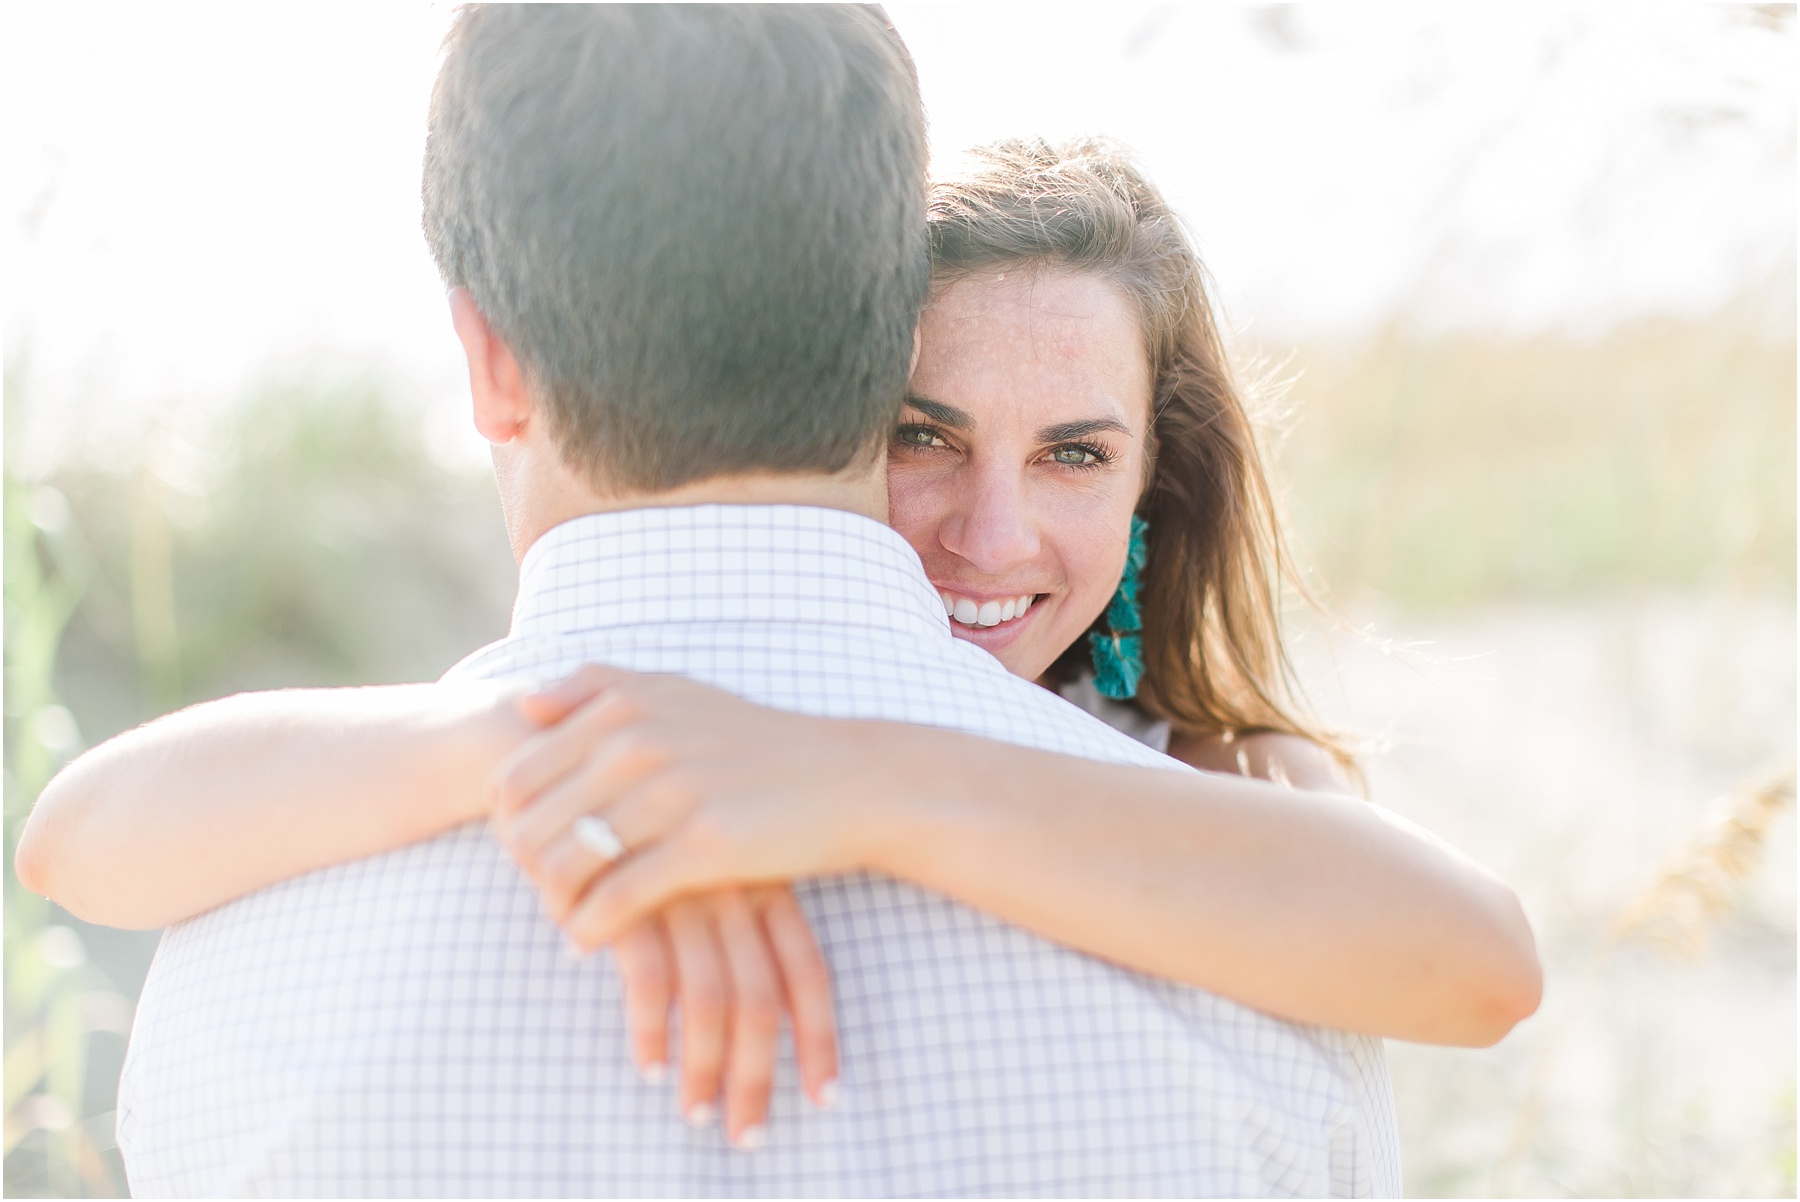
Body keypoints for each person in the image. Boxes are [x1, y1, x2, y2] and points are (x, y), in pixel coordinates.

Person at [15, 8, 1532, 1195]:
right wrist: (564, 749)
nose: (990, 529)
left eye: (1075, 455)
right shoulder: (1248, 985)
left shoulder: (1249, 827)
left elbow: (1485, 964)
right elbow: (72, 835)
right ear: (865, 364)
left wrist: (854, 778)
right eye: (929, 435)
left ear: (488, 359)